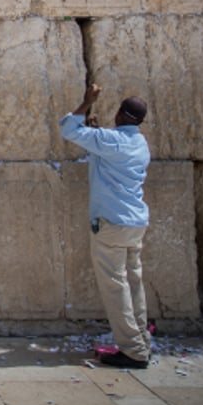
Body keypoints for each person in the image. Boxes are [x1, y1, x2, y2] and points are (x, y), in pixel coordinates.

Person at [60, 84, 152, 369]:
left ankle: (133, 350)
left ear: (121, 114)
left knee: (116, 287)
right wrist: (96, 133)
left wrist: (86, 102)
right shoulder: (139, 143)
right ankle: (142, 342)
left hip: (112, 223)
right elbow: (105, 153)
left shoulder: (111, 141)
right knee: (134, 284)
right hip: (135, 222)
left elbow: (67, 128)